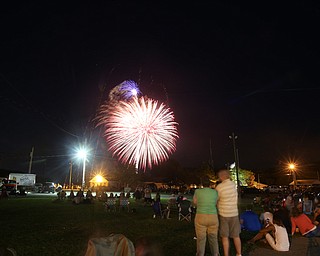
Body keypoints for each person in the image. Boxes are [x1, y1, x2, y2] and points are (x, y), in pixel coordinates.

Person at [215, 169, 241, 256]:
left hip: (223, 214)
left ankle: (226, 255)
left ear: (221, 177)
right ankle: (239, 253)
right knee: (236, 236)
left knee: (224, 236)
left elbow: (216, 200)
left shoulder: (219, 187)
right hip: (234, 213)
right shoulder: (233, 185)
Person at [193, 178, 219, 256]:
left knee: (201, 239)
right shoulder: (215, 192)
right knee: (213, 238)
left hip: (201, 216)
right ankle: (215, 253)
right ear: (210, 184)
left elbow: (194, 202)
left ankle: (200, 254)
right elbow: (217, 203)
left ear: (202, 184)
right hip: (213, 216)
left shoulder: (197, 191)